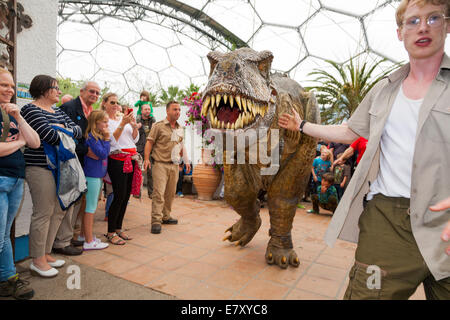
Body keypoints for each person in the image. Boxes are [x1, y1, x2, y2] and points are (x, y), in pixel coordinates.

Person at [278, 0, 450, 299]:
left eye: (433, 18)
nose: (423, 26)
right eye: (413, 21)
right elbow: (349, 130)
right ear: (400, 32)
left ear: (446, 25)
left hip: (444, 224)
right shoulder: (384, 89)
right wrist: (302, 125)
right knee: (366, 294)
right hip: (388, 223)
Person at [20, 75, 82, 278]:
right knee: (43, 212)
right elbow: (50, 135)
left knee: (57, 210)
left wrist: (65, 130)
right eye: (55, 88)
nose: (58, 91)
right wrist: (64, 130)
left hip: (62, 168)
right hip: (40, 167)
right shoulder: (30, 110)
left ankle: (45, 254)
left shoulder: (56, 111)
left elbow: (79, 131)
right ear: (44, 89)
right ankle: (37, 260)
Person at [0, 69, 39, 299]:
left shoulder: (12, 113)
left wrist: (20, 118)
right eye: (4, 85)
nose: (10, 90)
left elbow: (34, 142)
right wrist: (20, 142)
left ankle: (8, 279)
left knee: (4, 235)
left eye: (12, 86)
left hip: (16, 180)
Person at [55, 81, 101, 255]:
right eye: (91, 91)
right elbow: (66, 136)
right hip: (70, 161)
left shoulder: (91, 112)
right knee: (68, 200)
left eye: (97, 93)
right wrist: (86, 150)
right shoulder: (69, 107)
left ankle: (67, 238)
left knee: (76, 201)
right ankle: (61, 241)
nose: (95, 95)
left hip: (82, 163)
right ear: (81, 91)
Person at [144, 101, 191, 234]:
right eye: (175, 109)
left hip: (174, 166)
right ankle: (156, 221)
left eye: (179, 110)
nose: (178, 112)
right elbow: (149, 142)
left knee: (170, 194)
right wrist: (147, 159)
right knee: (158, 193)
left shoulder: (179, 128)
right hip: (160, 164)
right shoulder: (158, 126)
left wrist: (186, 161)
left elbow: (181, 146)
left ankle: (166, 216)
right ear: (167, 111)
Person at [103, 93, 140, 245]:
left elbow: (134, 139)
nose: (116, 105)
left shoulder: (121, 119)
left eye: (117, 102)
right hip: (117, 159)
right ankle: (111, 231)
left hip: (131, 158)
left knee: (126, 196)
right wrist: (123, 123)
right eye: (112, 102)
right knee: (118, 195)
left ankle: (118, 228)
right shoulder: (105, 120)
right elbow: (111, 140)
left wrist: (132, 126)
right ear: (104, 103)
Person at [82, 110, 111, 250]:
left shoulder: (96, 137)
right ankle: (88, 241)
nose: (107, 124)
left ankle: (86, 235)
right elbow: (103, 153)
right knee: (90, 208)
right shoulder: (92, 138)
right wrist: (107, 139)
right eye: (104, 121)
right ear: (96, 122)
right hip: (92, 176)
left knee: (91, 206)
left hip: (97, 175)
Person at [135, 104, 156, 198]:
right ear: (141, 110)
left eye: (149, 109)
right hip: (139, 148)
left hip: (151, 149)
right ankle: (137, 192)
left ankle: (151, 193)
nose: (148, 111)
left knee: (151, 172)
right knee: (138, 171)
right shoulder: (137, 121)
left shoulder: (153, 121)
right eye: (145, 109)